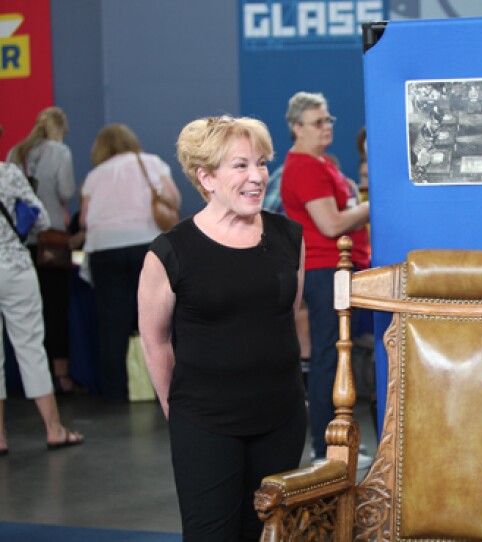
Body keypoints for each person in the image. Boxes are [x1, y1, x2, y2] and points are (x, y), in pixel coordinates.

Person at [138, 115, 307, 541]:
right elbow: (155, 341)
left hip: (281, 417)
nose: (257, 177)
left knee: (269, 534)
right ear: (206, 177)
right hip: (205, 423)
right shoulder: (171, 251)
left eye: (262, 163)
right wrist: (178, 414)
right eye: (241, 165)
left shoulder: (289, 236)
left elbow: (287, 313)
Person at [280, 92, 370, 465]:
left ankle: (334, 445)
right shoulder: (305, 167)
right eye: (318, 122)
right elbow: (331, 224)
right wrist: (373, 205)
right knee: (328, 360)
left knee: (336, 358)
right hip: (326, 271)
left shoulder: (320, 164)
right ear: (296, 128)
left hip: (336, 270)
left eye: (329, 119)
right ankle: (323, 449)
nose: (326, 127)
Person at [80, 124, 181, 403]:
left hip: (105, 249)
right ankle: (168, 387)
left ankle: (115, 393)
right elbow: (174, 199)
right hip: (147, 245)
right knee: (159, 319)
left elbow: (84, 219)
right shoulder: (151, 163)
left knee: (111, 323)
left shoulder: (94, 175)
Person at [1, 161, 84, 456]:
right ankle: (54, 429)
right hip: (15, 267)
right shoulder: (9, 173)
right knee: (31, 348)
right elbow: (42, 218)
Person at [6, 107, 77, 393]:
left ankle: (25, 380)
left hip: (20, 243)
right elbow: (66, 192)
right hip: (52, 240)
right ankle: (60, 376)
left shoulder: (15, 153)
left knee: (24, 318)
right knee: (56, 309)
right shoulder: (60, 152)